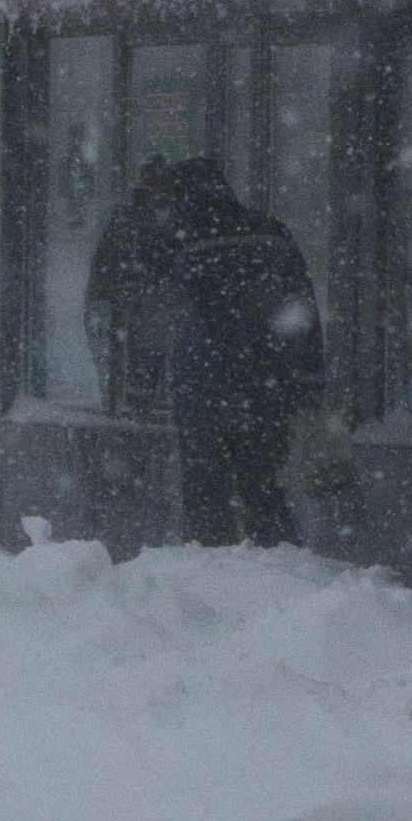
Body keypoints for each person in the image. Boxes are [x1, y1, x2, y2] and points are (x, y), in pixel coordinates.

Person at [90, 154, 323, 548]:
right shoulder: (270, 233)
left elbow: (155, 321)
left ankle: (211, 561)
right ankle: (277, 563)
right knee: (264, 485)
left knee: (205, 490)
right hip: (267, 384)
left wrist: (141, 390)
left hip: (201, 384)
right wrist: (310, 380)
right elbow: (302, 309)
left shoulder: (177, 243)